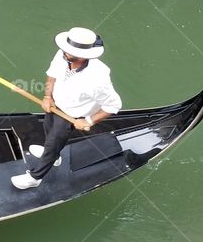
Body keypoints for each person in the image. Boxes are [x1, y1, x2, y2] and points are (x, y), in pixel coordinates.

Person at [11, 26, 122, 190]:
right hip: (56, 102)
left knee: (52, 143)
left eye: (68, 51)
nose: (64, 52)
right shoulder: (63, 55)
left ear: (82, 56)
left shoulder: (98, 79)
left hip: (73, 114)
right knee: (47, 128)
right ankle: (55, 157)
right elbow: (52, 75)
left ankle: (35, 177)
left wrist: (89, 120)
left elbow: (114, 105)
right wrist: (48, 97)